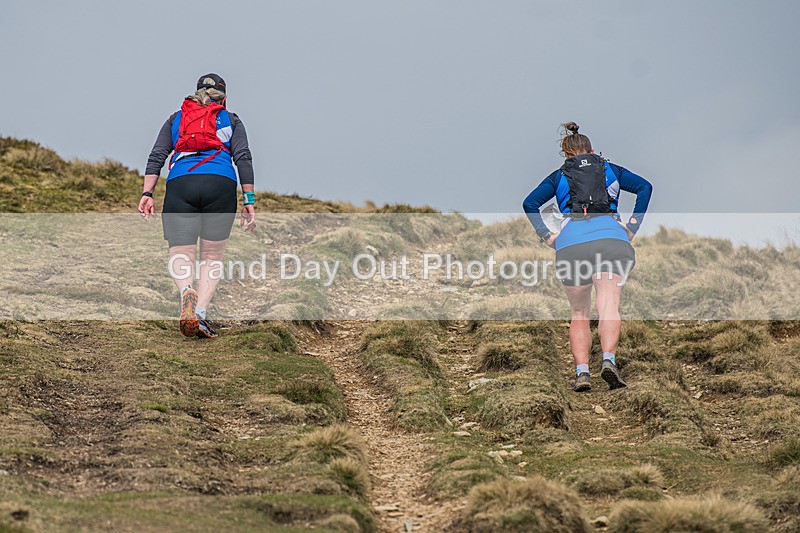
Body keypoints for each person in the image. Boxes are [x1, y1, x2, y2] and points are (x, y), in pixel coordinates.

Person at [523, 122, 653, 392]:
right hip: (611, 240)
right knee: (608, 305)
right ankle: (608, 360)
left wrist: (547, 236)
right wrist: (632, 226)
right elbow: (645, 187)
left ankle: (582, 372)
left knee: (579, 312)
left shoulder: (559, 176)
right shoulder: (611, 169)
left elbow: (530, 203)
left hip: (572, 246)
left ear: (566, 155)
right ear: (592, 151)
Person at [139, 73, 256, 339]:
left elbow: (157, 155)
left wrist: (148, 193)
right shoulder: (231, 120)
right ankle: (200, 313)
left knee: (182, 251)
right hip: (220, 184)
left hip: (181, 184)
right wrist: (249, 201)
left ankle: (185, 293)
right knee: (212, 256)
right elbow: (243, 158)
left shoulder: (177, 118)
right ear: (224, 99)